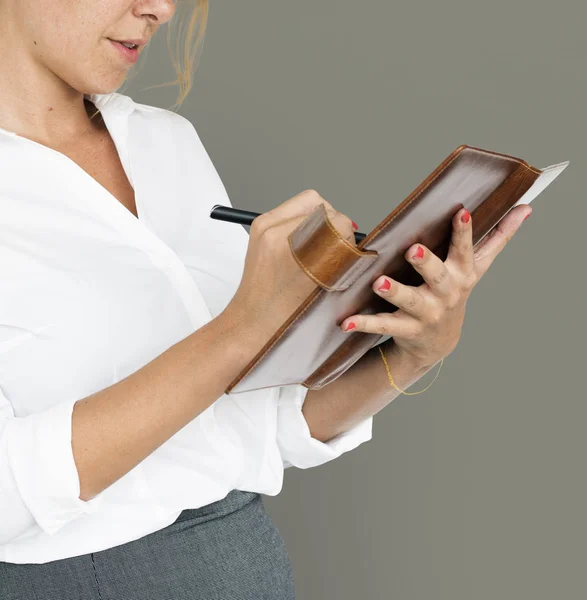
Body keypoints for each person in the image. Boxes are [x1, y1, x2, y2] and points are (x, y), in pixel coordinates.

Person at [0, 1, 533, 598]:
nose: (161, 8)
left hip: (239, 557)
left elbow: (261, 424)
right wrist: (243, 328)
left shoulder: (162, 141)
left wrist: (415, 352)